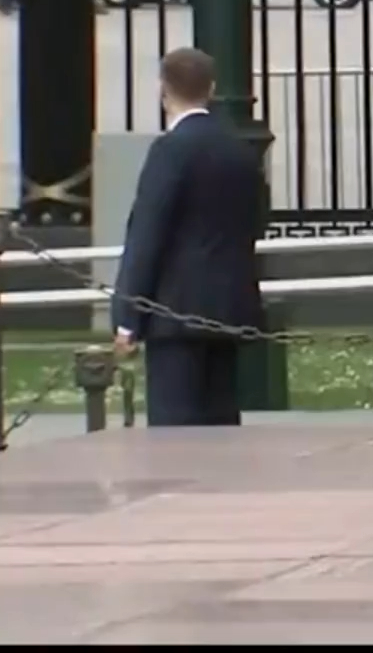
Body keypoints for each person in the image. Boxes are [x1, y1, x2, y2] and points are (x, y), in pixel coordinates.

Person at [111, 47, 266, 427]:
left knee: (175, 434)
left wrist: (127, 317)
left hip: (175, 316)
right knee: (221, 424)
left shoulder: (170, 150)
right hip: (228, 310)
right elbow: (255, 221)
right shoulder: (240, 150)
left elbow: (147, 235)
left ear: (163, 90)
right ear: (211, 89)